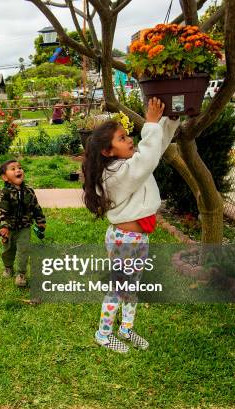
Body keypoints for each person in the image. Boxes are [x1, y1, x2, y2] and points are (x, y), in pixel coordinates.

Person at [81, 98, 179, 353]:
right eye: (122, 138)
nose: (129, 140)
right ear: (107, 151)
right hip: (124, 240)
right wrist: (150, 124)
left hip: (138, 239)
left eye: (127, 136)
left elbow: (152, 152)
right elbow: (146, 159)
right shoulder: (114, 174)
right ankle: (103, 334)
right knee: (119, 289)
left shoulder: (127, 165)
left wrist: (169, 123)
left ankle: (125, 328)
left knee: (133, 288)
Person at [0, 160, 46, 287]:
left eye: (19, 168)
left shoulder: (29, 191)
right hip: (9, 229)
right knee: (8, 250)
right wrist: (3, 226)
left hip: (24, 227)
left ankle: (21, 274)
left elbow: (36, 207)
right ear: (5, 177)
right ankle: (8, 267)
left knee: (23, 250)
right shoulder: (4, 193)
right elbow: (2, 210)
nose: (18, 170)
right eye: (13, 169)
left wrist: (40, 221)